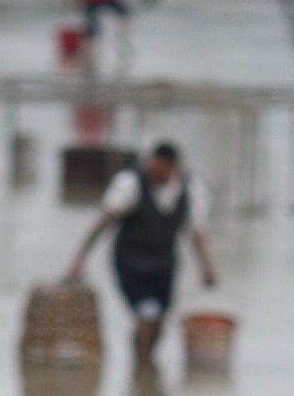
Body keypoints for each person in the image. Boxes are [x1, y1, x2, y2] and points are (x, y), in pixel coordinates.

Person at [66, 142, 219, 365]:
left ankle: (146, 365)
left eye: (162, 171)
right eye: (153, 169)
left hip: (165, 264)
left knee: (160, 320)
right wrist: (79, 259)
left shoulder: (190, 189)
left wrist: (208, 269)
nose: (156, 175)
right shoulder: (130, 183)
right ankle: (141, 367)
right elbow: (103, 223)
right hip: (130, 261)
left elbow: (197, 234)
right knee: (147, 313)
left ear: (174, 169)